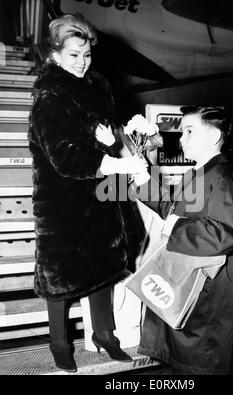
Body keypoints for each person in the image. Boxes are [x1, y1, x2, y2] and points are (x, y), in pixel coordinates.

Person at [28, 13, 148, 373]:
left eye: (87, 55)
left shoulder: (97, 86)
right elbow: (64, 157)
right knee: (61, 278)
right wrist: (114, 164)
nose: (82, 63)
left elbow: (109, 135)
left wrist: (124, 155)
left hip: (100, 195)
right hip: (62, 200)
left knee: (103, 269)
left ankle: (105, 335)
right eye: (74, 55)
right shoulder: (49, 94)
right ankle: (59, 344)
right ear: (55, 55)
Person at [134, 105, 233, 374]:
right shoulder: (199, 173)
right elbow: (171, 209)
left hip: (205, 293)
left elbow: (226, 232)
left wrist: (177, 226)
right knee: (184, 363)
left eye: (189, 131)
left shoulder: (223, 177)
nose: (181, 139)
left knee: (199, 364)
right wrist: (143, 179)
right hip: (187, 288)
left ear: (214, 135)